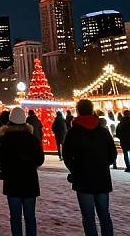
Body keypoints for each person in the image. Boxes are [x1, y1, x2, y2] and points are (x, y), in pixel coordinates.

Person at [63, 99, 117, 236]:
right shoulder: (103, 131)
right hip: (102, 178)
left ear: (78, 111)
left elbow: (67, 155)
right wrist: (103, 165)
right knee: (105, 215)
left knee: (88, 217)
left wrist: (75, 170)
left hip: (83, 179)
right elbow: (113, 153)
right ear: (92, 109)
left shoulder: (73, 132)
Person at [0, 107, 45, 236]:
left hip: (12, 181)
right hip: (30, 181)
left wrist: (7, 163)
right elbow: (40, 159)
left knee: (15, 216)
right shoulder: (31, 138)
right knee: (30, 217)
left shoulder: (5, 138)